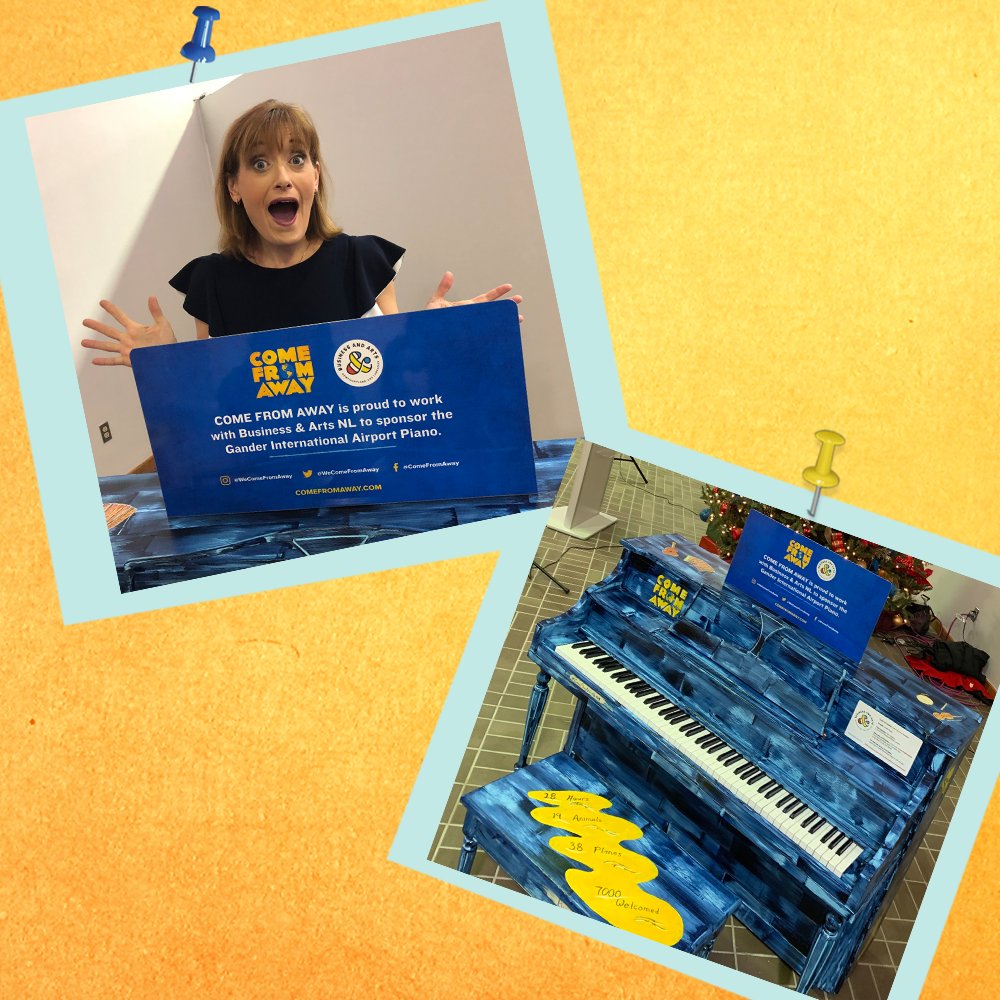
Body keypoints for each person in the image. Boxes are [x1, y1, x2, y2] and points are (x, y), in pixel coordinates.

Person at [81, 99, 521, 366]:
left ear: (315, 174)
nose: (282, 178)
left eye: (296, 159)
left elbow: (397, 373)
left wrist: (435, 336)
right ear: (234, 187)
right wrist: (165, 364)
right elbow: (217, 402)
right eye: (259, 163)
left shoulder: (363, 261)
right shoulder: (211, 280)